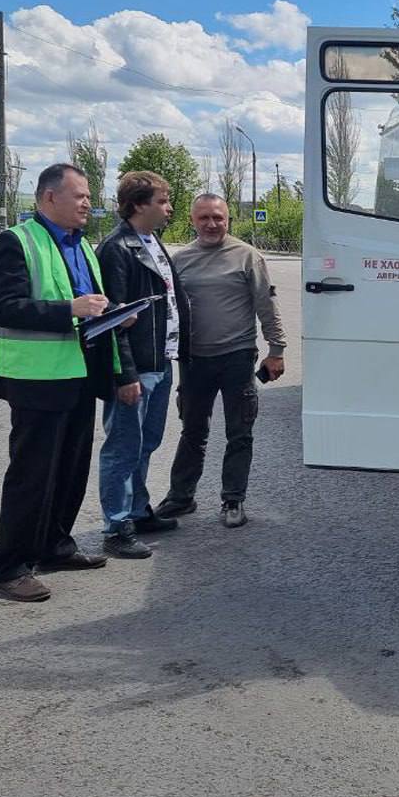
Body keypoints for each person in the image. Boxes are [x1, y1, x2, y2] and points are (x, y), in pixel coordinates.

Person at [0, 163, 122, 602]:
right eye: (79, 195)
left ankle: (55, 546)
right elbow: (6, 308)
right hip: (37, 380)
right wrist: (72, 309)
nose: (87, 202)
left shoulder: (81, 246)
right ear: (48, 198)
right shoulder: (16, 241)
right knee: (33, 476)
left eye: (87, 196)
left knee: (70, 470)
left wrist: (113, 313)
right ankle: (11, 567)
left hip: (80, 375)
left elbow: (86, 305)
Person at [156, 193, 287, 529]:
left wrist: (277, 350)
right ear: (192, 220)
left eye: (218, 217)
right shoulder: (180, 260)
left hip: (237, 358)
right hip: (194, 359)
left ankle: (233, 500)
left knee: (239, 433)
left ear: (228, 219)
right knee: (192, 432)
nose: (212, 224)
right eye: (204, 218)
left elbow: (266, 306)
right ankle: (181, 497)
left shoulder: (248, 257)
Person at [95, 171, 192, 558]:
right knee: (122, 446)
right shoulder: (117, 248)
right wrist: (125, 374)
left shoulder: (152, 242)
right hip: (136, 370)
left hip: (160, 361)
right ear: (138, 204)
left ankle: (137, 510)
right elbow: (113, 321)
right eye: (163, 201)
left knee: (146, 443)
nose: (169, 209)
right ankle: (116, 527)